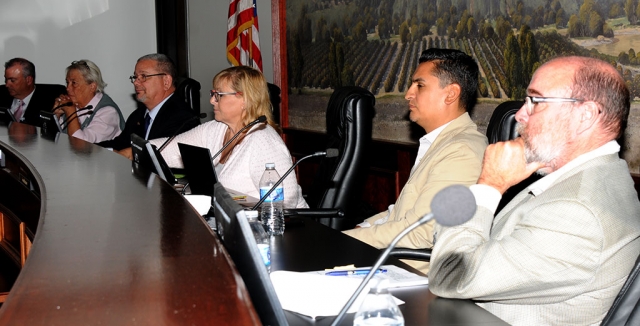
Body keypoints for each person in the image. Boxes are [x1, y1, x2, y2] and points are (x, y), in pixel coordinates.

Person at [428, 56, 640, 326]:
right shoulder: (589, 177)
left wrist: (489, 185)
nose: (519, 115)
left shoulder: (577, 213)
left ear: (585, 115)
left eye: (535, 101)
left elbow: (449, 276)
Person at [342, 48, 487, 273]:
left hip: (412, 275)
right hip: (393, 264)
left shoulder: (462, 151)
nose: (408, 94)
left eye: (419, 85)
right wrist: (364, 227)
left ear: (450, 94)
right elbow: (402, 212)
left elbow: (421, 233)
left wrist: (346, 241)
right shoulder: (442, 142)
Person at [149, 66, 308, 209]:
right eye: (213, 94)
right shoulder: (216, 129)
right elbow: (168, 151)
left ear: (245, 99)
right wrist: (135, 150)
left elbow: (287, 202)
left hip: (279, 231)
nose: (212, 101)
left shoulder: (262, 140)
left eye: (218, 95)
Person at [99, 53, 199, 152]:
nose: (136, 82)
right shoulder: (139, 114)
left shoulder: (183, 119)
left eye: (144, 76)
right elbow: (119, 144)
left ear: (166, 81)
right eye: (135, 77)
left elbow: (162, 159)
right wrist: (89, 149)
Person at [52, 60, 125, 143]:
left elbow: (80, 145)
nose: (68, 88)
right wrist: (56, 115)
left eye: (74, 83)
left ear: (92, 87)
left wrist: (70, 112)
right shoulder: (74, 104)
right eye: (67, 82)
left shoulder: (108, 112)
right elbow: (51, 140)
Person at [1, 58, 66, 127]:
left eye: (12, 80)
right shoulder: (1, 93)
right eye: (6, 79)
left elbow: (46, 130)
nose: (7, 85)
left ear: (29, 80)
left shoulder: (49, 100)